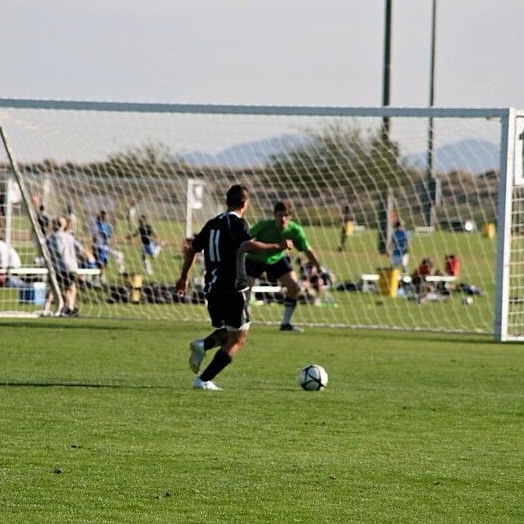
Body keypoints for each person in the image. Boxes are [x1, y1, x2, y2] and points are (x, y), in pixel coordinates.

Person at [175, 184, 293, 391]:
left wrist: (183, 277)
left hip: (212, 290)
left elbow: (192, 250)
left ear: (227, 201)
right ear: (244, 204)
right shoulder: (237, 223)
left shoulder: (211, 224)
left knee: (232, 331)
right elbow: (248, 245)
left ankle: (203, 345)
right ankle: (203, 380)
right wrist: (279, 246)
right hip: (233, 289)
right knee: (239, 338)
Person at [245, 200, 323, 332]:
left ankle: (286, 323)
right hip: (255, 258)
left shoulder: (295, 231)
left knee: (294, 286)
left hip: (277, 259)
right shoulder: (263, 225)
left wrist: (318, 266)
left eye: (286, 215)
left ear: (290, 216)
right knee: (245, 287)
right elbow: (244, 240)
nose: (283, 218)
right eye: (280, 215)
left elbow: (307, 250)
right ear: (275, 215)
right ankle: (243, 317)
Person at [45, 216, 93, 316]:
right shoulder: (70, 237)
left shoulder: (51, 238)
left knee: (59, 288)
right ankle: (69, 308)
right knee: (71, 287)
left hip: (59, 266)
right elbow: (80, 249)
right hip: (71, 266)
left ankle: (56, 307)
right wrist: (90, 257)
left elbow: (51, 251)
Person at [91, 210, 125, 284]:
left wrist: (112, 245)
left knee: (119, 255)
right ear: (102, 216)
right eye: (106, 216)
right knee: (101, 264)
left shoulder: (108, 226)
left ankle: (121, 272)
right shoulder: (96, 225)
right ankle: (100, 279)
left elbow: (110, 237)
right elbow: (94, 238)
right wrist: (94, 248)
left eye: (107, 216)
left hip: (107, 247)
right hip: (99, 247)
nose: (107, 217)